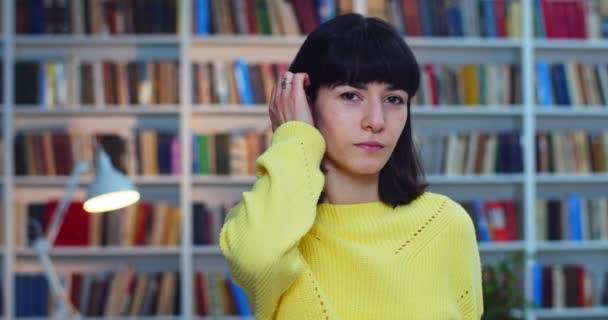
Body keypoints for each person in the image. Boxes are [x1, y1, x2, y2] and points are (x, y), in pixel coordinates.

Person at [219, 13, 484, 319]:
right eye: (350, 95)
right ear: (304, 103)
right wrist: (294, 136)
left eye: (394, 99)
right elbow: (257, 260)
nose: (376, 121)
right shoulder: (267, 225)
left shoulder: (446, 224)